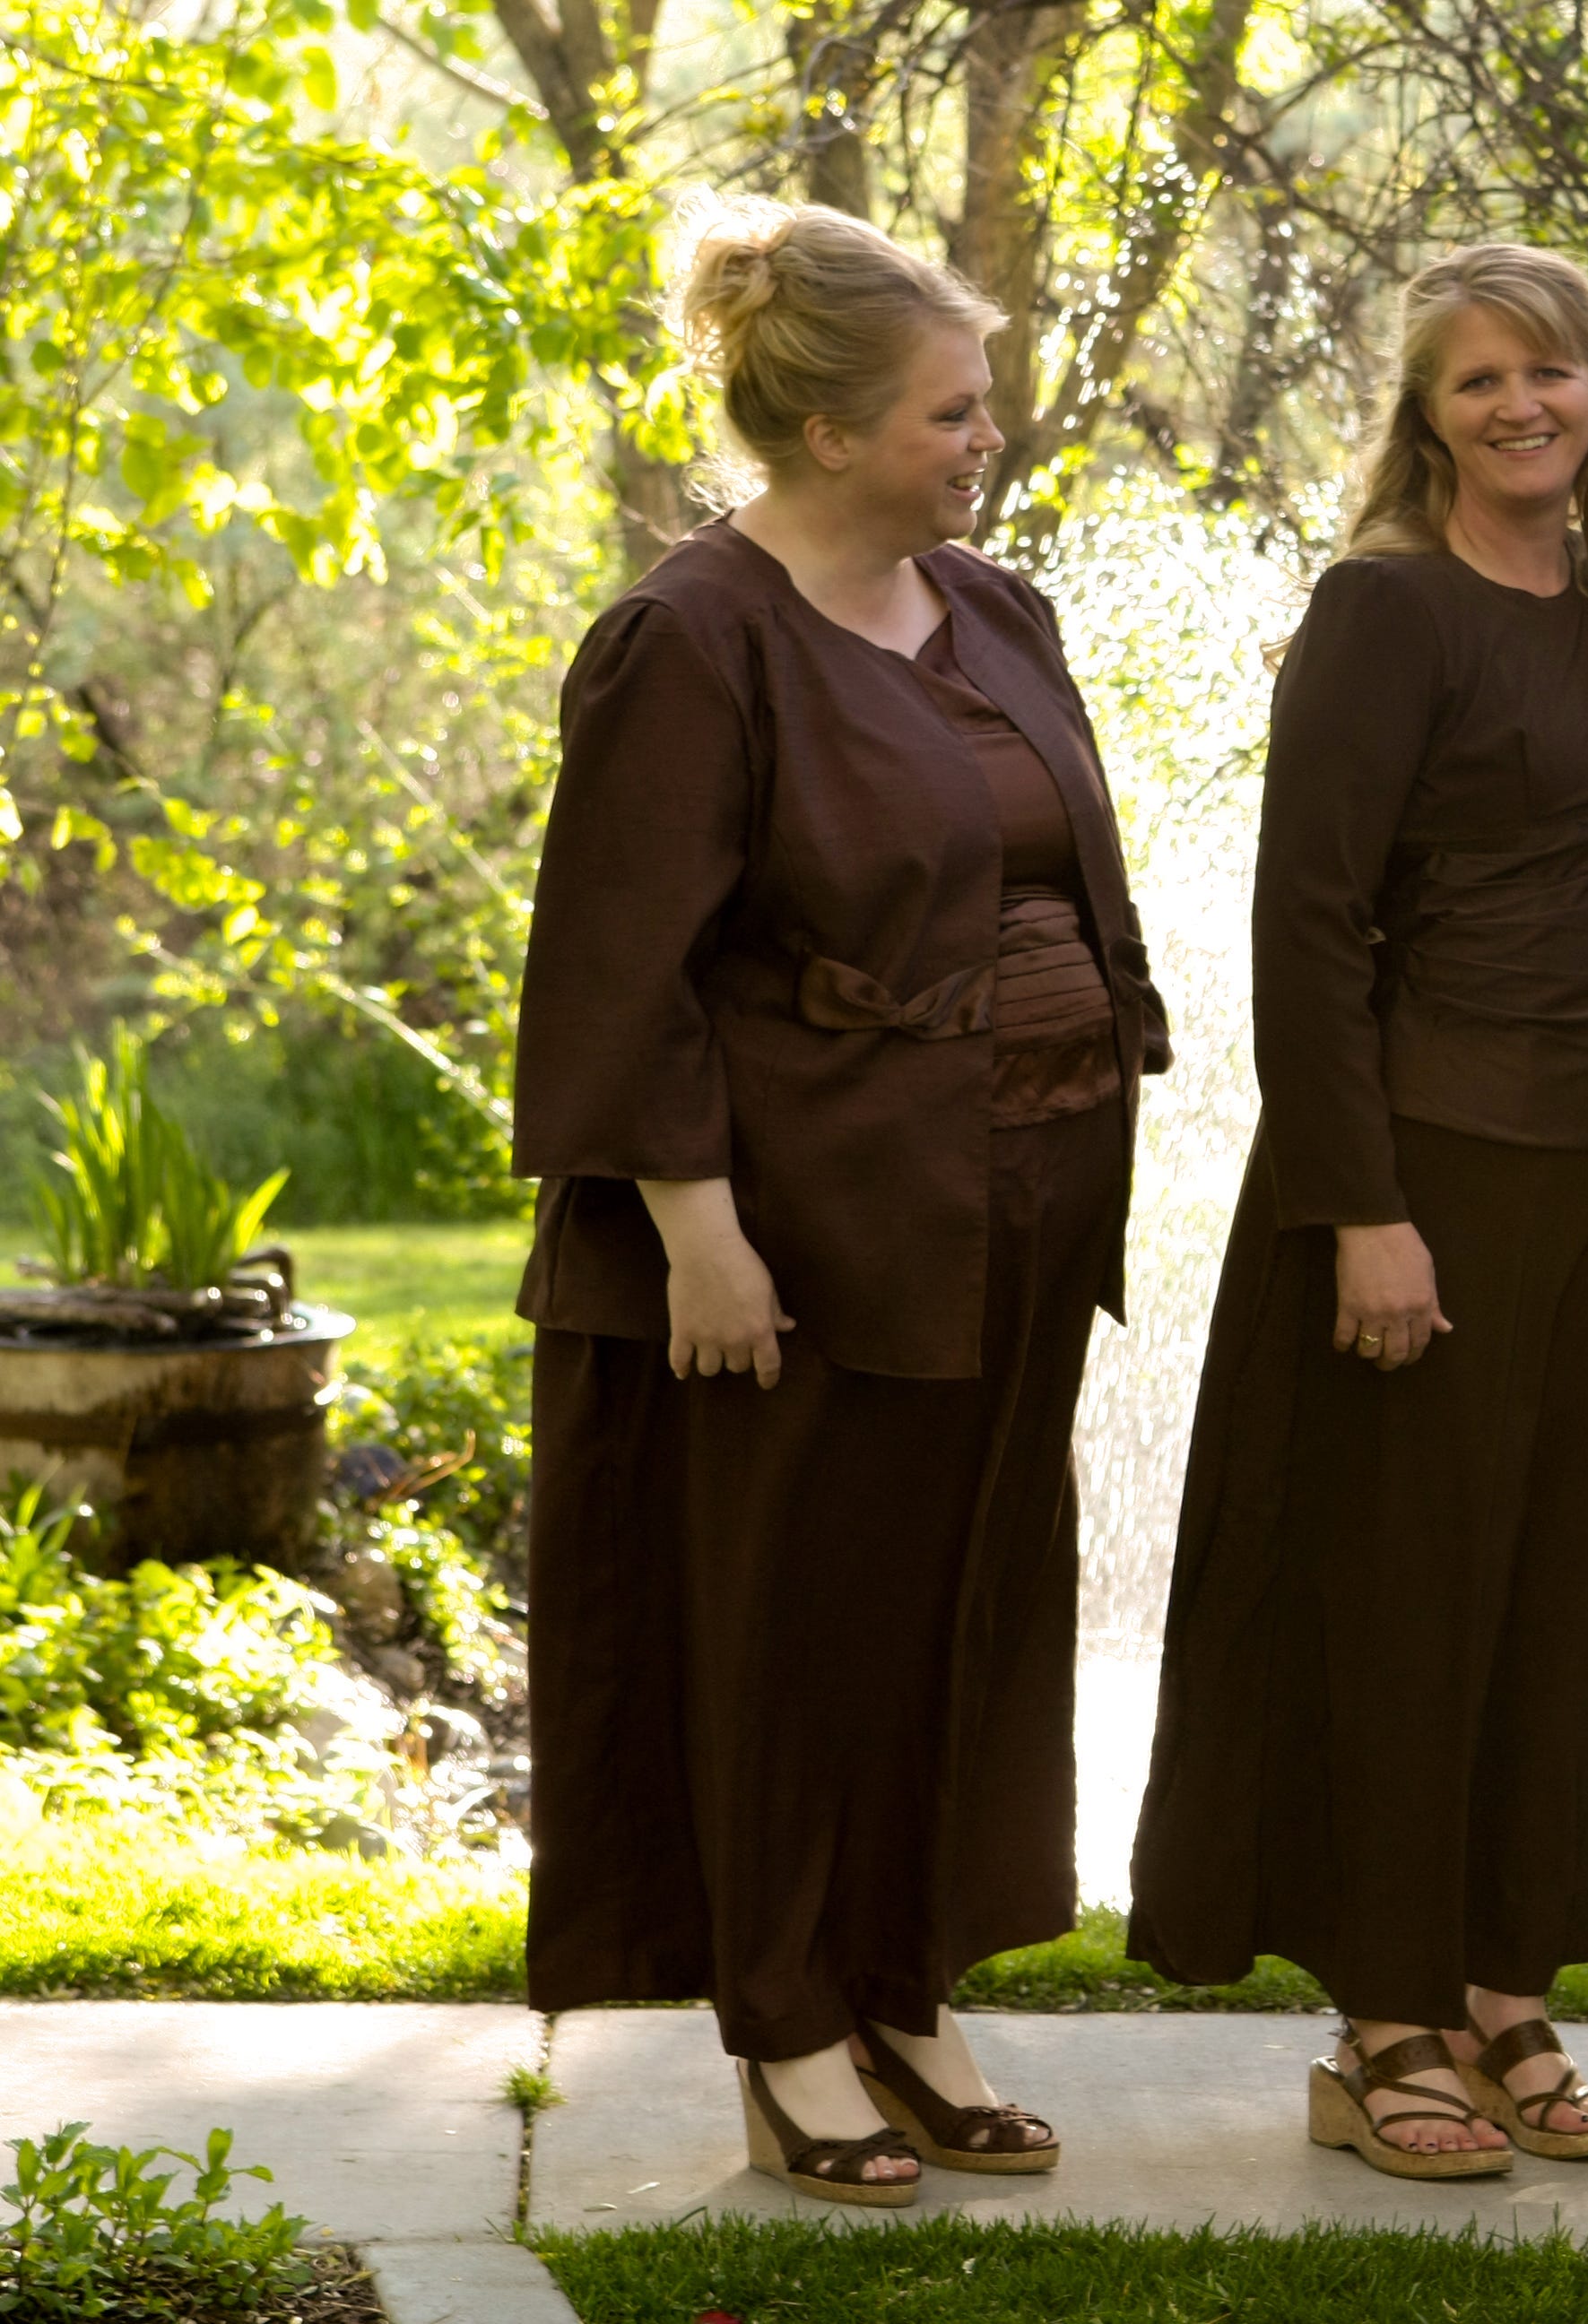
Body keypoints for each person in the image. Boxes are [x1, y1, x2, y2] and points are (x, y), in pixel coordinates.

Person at [512, 198, 1169, 2206]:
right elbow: (624, 964)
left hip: (1013, 1210)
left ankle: (906, 1985)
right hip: (794, 1235)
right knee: (788, 1630)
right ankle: (786, 2020)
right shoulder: (690, 637)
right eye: (948, 412)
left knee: (954, 1618)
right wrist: (699, 1231)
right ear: (822, 434)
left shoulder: (995, 611)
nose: (984, 437)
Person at [1126, 245, 1588, 2183]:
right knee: (1410, 1601)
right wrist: (1362, 1209)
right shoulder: (1387, 608)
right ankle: (1385, 2016)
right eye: (1480, 384)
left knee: (1576, 1596)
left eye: (1551, 372)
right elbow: (1308, 924)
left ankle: (1507, 1988)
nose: (1523, 407)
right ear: (1430, 416)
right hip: (1433, 1172)